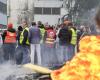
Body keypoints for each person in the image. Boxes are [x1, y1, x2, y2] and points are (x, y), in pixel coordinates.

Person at [51, 8, 100, 80]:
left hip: (65, 43)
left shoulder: (66, 30)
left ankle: (63, 60)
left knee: (63, 53)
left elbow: (59, 36)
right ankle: (65, 60)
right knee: (67, 53)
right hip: (69, 43)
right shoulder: (72, 31)